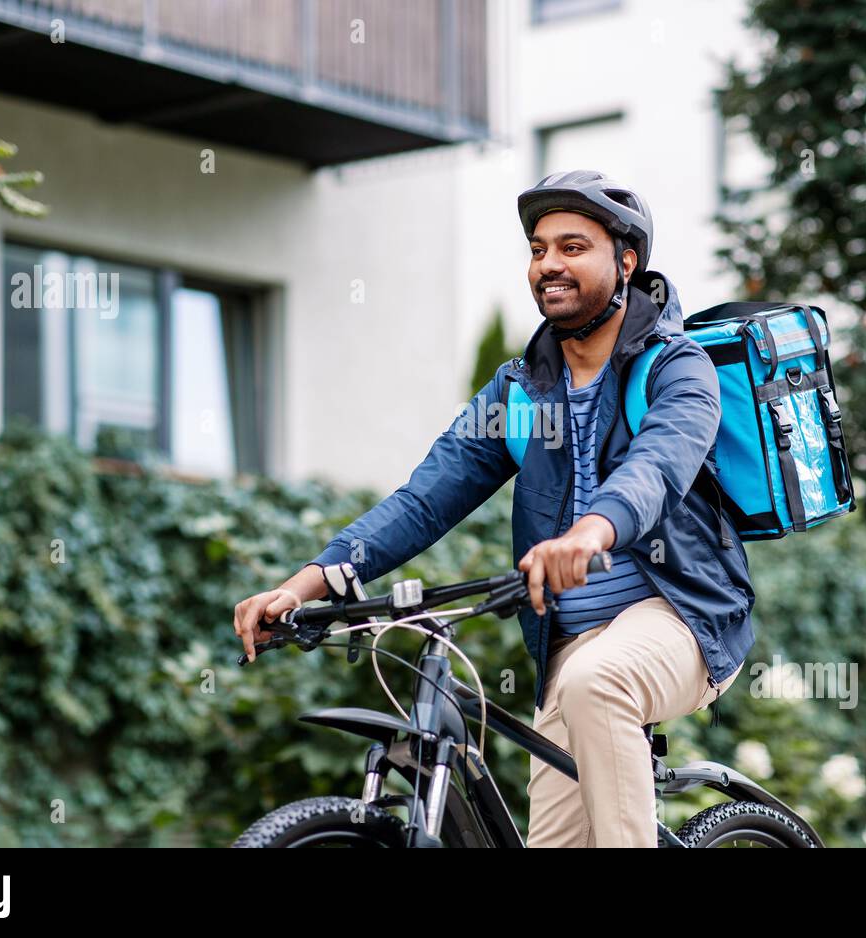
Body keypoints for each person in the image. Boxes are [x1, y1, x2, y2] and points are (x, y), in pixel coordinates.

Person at [233, 169, 755, 847]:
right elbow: (425, 500)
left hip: (684, 616)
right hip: (570, 648)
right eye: (539, 249)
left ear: (625, 261)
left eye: (573, 246)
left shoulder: (676, 367)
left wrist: (591, 533)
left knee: (600, 683)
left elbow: (658, 467)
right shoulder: (520, 389)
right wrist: (309, 581)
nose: (549, 265)